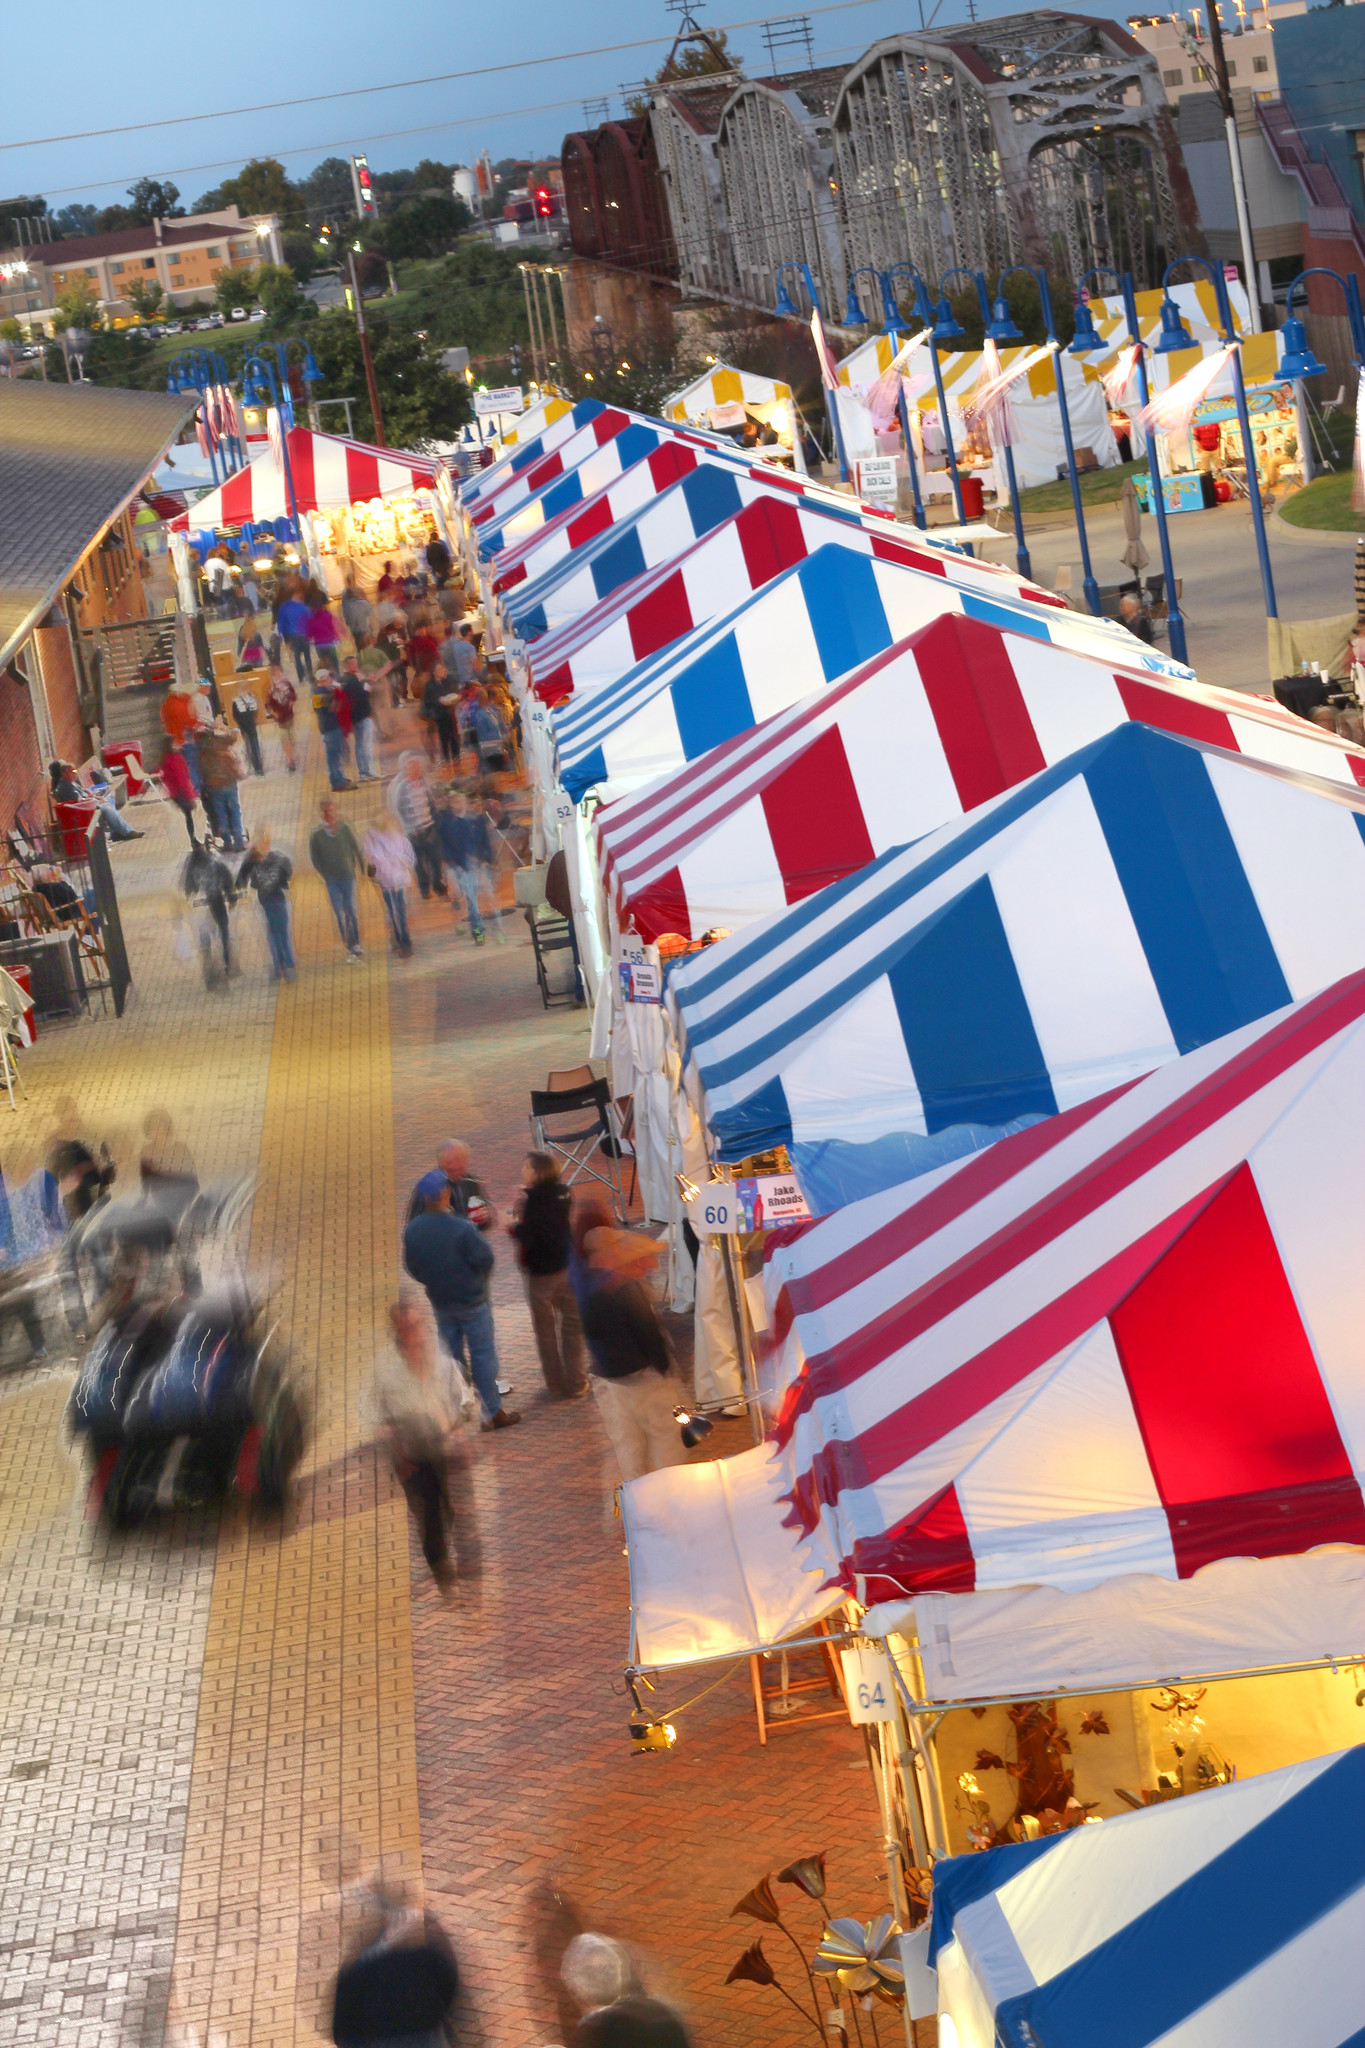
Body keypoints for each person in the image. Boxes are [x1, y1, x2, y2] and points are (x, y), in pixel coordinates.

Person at [402, 1171, 518, 1430]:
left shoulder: (413, 1230)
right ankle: (491, 1412)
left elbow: (411, 1266)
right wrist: (475, 1278)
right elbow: (485, 1259)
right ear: (445, 1194)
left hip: (441, 1302)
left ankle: (455, 1410)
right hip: (472, 1300)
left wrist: (431, 1280)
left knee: (451, 1358)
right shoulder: (461, 1227)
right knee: (483, 1355)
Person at [575, 1218, 684, 1483]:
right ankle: (669, 1494)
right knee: (665, 1443)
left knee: (629, 1450)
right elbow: (647, 1333)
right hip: (643, 1379)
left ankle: (636, 1499)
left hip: (611, 1380)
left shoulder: (585, 1285)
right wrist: (664, 1368)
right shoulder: (623, 1288)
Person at [373, 1299, 471, 1588]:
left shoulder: (443, 1363)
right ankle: (442, 1570)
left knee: (452, 1508)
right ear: (396, 1333)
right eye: (406, 1327)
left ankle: (456, 1558)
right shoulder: (387, 1373)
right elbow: (380, 1420)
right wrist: (398, 1458)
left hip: (445, 1447)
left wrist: (460, 1433)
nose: (414, 1332)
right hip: (412, 1455)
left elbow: (463, 1400)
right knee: (428, 1516)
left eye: (417, 1325)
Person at [509, 1151, 585, 1398]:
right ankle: (577, 1381)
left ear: (537, 1172)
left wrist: (512, 1226)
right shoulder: (564, 1193)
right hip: (567, 1268)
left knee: (546, 1332)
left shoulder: (532, 1203)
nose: (522, 1171)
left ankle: (555, 1383)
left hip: (541, 1275)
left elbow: (531, 1238)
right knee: (573, 1327)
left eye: (526, 1168)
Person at [439, 788, 502, 943]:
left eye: (460, 800)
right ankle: (478, 930)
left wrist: (487, 859)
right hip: (463, 866)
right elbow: (445, 847)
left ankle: (497, 930)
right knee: (471, 900)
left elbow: (484, 840)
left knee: (488, 898)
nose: (458, 803)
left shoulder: (476, 819)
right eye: (454, 801)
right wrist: (453, 864)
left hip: (478, 864)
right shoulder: (447, 823)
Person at [309, 796, 366, 960]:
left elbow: (356, 848)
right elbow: (315, 858)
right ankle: (347, 943)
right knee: (339, 913)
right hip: (332, 881)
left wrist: (363, 869)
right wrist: (325, 873)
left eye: (334, 810)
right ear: (323, 814)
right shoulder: (317, 836)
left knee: (351, 910)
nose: (333, 814)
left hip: (348, 877)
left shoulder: (345, 829)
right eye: (329, 811)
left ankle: (355, 943)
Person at [237, 828, 296, 980]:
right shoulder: (274, 858)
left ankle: (280, 967)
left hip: (269, 898)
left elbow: (240, 881)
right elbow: (288, 871)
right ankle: (286, 966)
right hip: (273, 898)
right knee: (280, 933)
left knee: (276, 933)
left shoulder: (253, 861)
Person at [182, 839, 238, 986]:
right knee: (223, 933)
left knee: (205, 941)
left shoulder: (191, 867)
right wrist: (232, 898)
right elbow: (227, 880)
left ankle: (209, 972)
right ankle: (227, 963)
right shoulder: (214, 862)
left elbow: (187, 888)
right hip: (216, 901)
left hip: (200, 906)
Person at [404, 1139, 494, 1231]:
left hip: (468, 1239)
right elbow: (413, 1225)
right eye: (454, 1168)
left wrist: (485, 1218)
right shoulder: (428, 1187)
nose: (461, 1172)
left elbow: (486, 1218)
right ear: (441, 1164)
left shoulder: (472, 1182)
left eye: (463, 1165)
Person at [388, 752, 443, 899]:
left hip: (429, 827)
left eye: (418, 768)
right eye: (413, 768)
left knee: (435, 860)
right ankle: (424, 889)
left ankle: (438, 886)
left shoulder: (425, 784)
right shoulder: (402, 789)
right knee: (419, 864)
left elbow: (431, 803)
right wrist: (409, 828)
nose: (416, 771)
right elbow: (399, 809)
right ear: (407, 770)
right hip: (414, 832)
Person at [48, 760, 144, 842]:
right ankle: (126, 832)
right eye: (73, 771)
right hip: (83, 811)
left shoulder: (71, 783)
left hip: (89, 805)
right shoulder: (66, 786)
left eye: (75, 770)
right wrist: (94, 799)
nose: (75, 773)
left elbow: (84, 793)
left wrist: (95, 797)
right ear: (64, 774)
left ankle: (118, 831)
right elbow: (78, 801)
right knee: (106, 808)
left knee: (108, 800)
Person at [363, 816, 416, 958]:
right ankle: (400, 941)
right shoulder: (373, 840)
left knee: (400, 913)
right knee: (394, 913)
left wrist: (397, 860)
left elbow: (410, 859)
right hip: (387, 883)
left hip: (400, 881)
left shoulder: (400, 839)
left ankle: (404, 942)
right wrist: (392, 863)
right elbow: (374, 860)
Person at [196, 721, 247, 852]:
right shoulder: (223, 742)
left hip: (213, 787)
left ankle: (227, 842)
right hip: (229, 783)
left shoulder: (203, 749)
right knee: (235, 812)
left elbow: (202, 769)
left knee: (221, 814)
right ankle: (239, 842)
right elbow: (234, 735)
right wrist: (223, 728)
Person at [340, 655, 380, 781]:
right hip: (363, 715)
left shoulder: (343, 680)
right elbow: (361, 697)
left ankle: (362, 772)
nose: (356, 665)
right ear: (348, 666)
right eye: (354, 664)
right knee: (367, 745)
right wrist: (367, 690)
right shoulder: (352, 681)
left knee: (359, 745)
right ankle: (370, 771)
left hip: (353, 717)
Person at [314, 673, 355, 792]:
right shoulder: (323, 694)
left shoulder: (316, 691)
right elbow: (334, 708)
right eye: (328, 680)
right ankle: (338, 782)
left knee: (333, 756)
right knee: (334, 757)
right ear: (322, 681)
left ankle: (339, 778)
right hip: (331, 728)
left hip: (326, 727)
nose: (330, 682)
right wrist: (338, 693)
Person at [159, 736, 200, 844]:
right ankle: (193, 840)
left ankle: (193, 839)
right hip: (182, 792)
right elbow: (182, 778)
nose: (178, 745)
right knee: (189, 816)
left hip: (175, 793)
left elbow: (166, 778)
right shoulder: (176, 759)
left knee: (188, 815)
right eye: (175, 743)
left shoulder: (165, 760)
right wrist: (190, 793)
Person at [276, 584, 314, 682]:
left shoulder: (284, 608)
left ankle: (301, 677)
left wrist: (281, 635)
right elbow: (309, 619)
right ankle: (310, 675)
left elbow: (282, 623)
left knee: (297, 657)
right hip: (304, 634)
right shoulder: (302, 606)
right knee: (307, 656)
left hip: (293, 635)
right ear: (294, 595)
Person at [264, 664, 298, 772]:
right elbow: (267, 704)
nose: (278, 674)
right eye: (276, 672)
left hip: (289, 716)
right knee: (285, 740)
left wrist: (292, 702)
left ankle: (292, 756)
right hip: (280, 720)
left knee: (292, 739)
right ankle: (290, 760)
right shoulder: (270, 688)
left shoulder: (286, 684)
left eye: (279, 672)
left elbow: (293, 695)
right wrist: (274, 713)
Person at [306, 591, 345, 675]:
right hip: (330, 644)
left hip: (319, 645)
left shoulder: (311, 619)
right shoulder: (328, 616)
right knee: (334, 662)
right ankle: (337, 675)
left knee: (324, 664)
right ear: (322, 606)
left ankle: (327, 677)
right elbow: (331, 628)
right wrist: (336, 638)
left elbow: (310, 633)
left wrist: (309, 639)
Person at [230, 683, 265, 776]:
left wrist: (255, 720)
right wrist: (241, 724)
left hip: (252, 726)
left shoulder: (252, 698)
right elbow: (235, 715)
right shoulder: (236, 702)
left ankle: (258, 767)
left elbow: (256, 711)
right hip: (243, 727)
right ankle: (252, 765)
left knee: (255, 746)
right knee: (248, 746)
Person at [341, 577, 374, 646]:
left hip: (355, 629)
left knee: (359, 645)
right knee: (368, 645)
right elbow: (370, 613)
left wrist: (348, 623)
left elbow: (345, 610)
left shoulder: (345, 595)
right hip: (365, 627)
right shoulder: (360, 594)